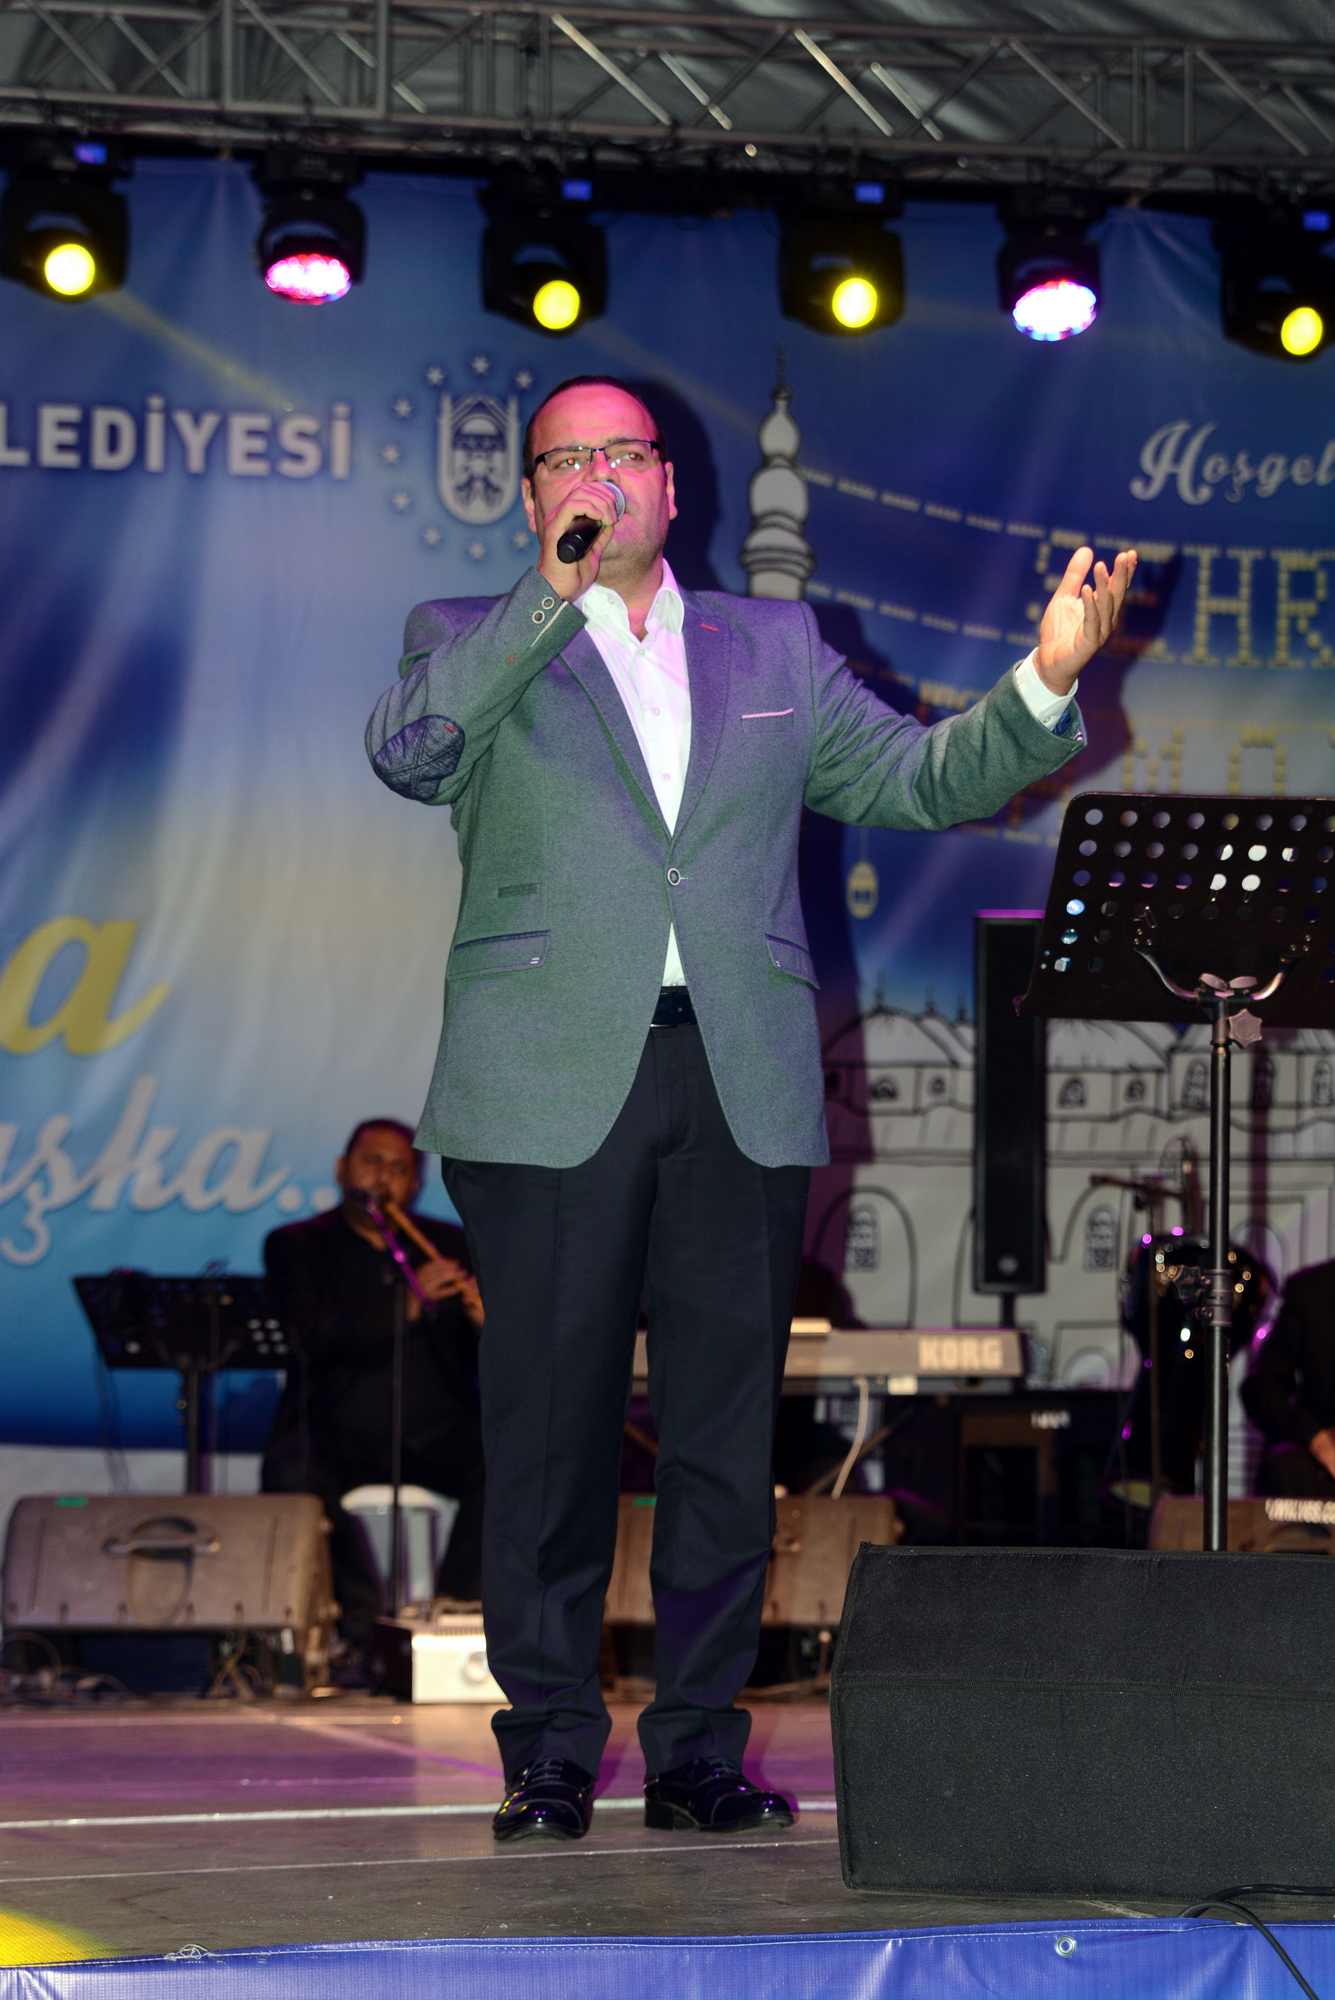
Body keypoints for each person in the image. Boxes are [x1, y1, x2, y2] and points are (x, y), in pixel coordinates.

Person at [365, 373, 1136, 1842]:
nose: (600, 476)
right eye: (568, 459)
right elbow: (410, 753)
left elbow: (916, 778)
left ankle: (699, 1749)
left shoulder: (772, 643)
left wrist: (1043, 680)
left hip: (739, 1074)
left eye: (625, 453)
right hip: (547, 1082)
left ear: (673, 483)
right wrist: (545, 601)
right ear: (531, 497)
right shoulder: (466, 633)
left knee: (722, 1436)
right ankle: (546, 1745)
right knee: (550, 1430)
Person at [261, 1119, 486, 1664]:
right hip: (337, 1427)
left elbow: (486, 1357)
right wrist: (405, 1305)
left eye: (399, 1167)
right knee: (291, 1470)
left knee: (508, 1460)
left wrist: (487, 1323)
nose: (383, 1175)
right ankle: (359, 1628)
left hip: (435, 1431)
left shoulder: (450, 1245)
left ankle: (456, 1611)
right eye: (371, 1161)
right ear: (342, 1170)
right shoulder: (297, 1245)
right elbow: (304, 1335)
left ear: (415, 1185)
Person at [1241, 1256, 1335, 1498]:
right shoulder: (1312, 1291)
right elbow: (1262, 1388)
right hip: (1321, 1454)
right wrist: (1315, 1437)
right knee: (1288, 1466)